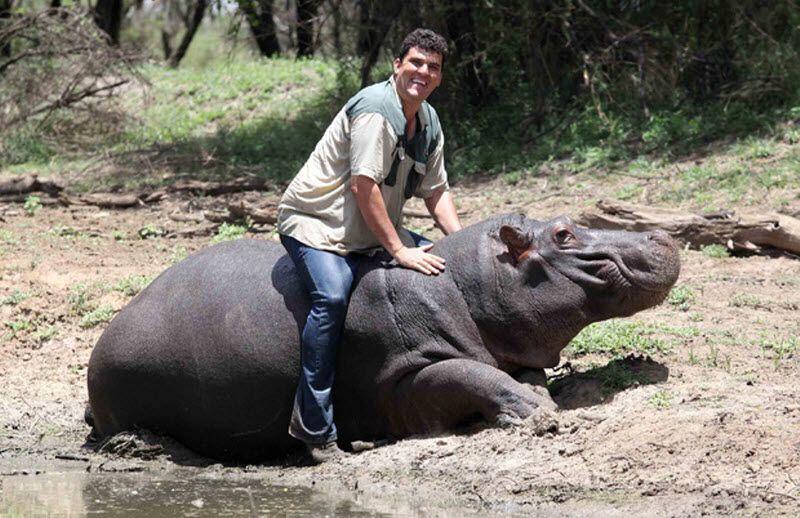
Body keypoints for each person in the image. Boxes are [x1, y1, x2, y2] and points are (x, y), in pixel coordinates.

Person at [276, 28, 462, 463]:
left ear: (439, 77)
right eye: (415, 62)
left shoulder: (428, 122)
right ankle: (314, 425)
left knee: (441, 264)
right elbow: (363, 186)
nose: (423, 72)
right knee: (333, 294)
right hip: (318, 227)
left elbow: (437, 192)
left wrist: (459, 242)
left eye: (432, 67)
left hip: (368, 231)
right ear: (397, 65)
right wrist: (398, 251)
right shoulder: (378, 111)